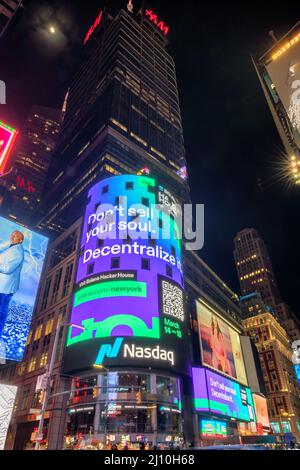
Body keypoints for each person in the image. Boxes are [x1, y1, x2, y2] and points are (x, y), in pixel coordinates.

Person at [0, 231, 25, 338]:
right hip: (6, 287)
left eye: (15, 236)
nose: (12, 237)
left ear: (20, 240)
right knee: (2, 310)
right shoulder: (14, 249)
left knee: (2, 310)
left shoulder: (17, 252)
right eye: (12, 235)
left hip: (4, 287)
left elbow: (7, 268)